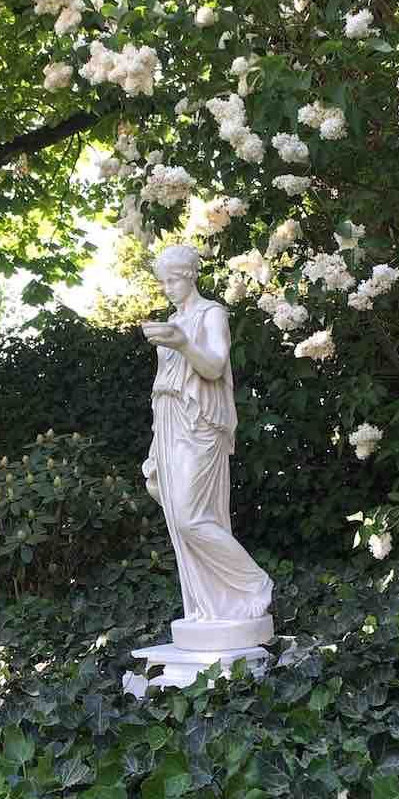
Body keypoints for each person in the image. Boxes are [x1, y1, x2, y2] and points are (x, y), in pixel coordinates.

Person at [142, 244, 272, 624]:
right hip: (168, 418)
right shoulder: (171, 321)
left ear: (190, 277)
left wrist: (181, 341)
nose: (168, 288)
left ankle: (255, 584)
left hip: (199, 421)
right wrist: (155, 443)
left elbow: (214, 366)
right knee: (167, 499)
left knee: (190, 517)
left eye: (174, 280)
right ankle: (213, 604)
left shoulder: (211, 313)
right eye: (163, 282)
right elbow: (165, 383)